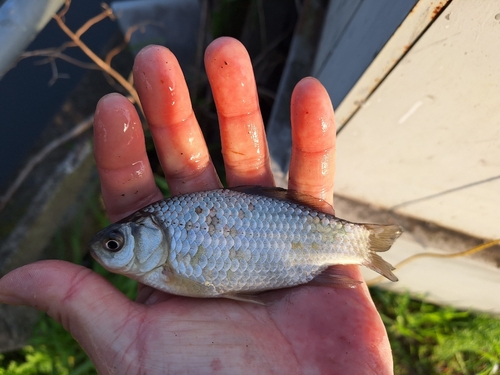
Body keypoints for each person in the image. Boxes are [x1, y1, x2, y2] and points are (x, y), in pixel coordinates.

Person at [0, 37, 393, 374]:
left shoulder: (168, 269)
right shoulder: (164, 264)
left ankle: (361, 243)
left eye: (115, 244)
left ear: (147, 236)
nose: (107, 252)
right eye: (113, 245)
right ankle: (360, 243)